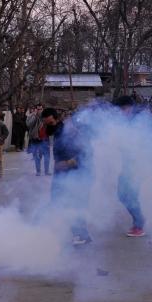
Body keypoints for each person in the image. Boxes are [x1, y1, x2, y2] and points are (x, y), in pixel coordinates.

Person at [43, 107, 90, 245]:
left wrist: (68, 163)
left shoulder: (68, 132)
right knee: (59, 201)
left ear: (56, 119)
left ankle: (82, 235)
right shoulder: (55, 132)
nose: (47, 126)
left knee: (72, 202)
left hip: (73, 173)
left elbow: (85, 151)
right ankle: (78, 233)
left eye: (50, 123)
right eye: (46, 123)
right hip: (61, 173)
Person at [113, 95, 146, 237]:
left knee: (129, 195)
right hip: (128, 165)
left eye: (121, 109)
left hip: (136, 165)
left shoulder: (137, 121)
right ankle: (138, 221)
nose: (119, 112)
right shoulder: (126, 121)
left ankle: (139, 224)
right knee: (124, 195)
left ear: (127, 108)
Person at [26, 104, 49, 175]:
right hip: (35, 138)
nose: (39, 110)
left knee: (47, 156)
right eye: (38, 109)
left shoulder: (46, 116)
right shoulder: (31, 116)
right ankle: (38, 171)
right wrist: (35, 116)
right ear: (35, 109)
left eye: (40, 109)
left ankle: (46, 171)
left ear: (43, 109)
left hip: (45, 139)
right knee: (37, 156)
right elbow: (29, 125)